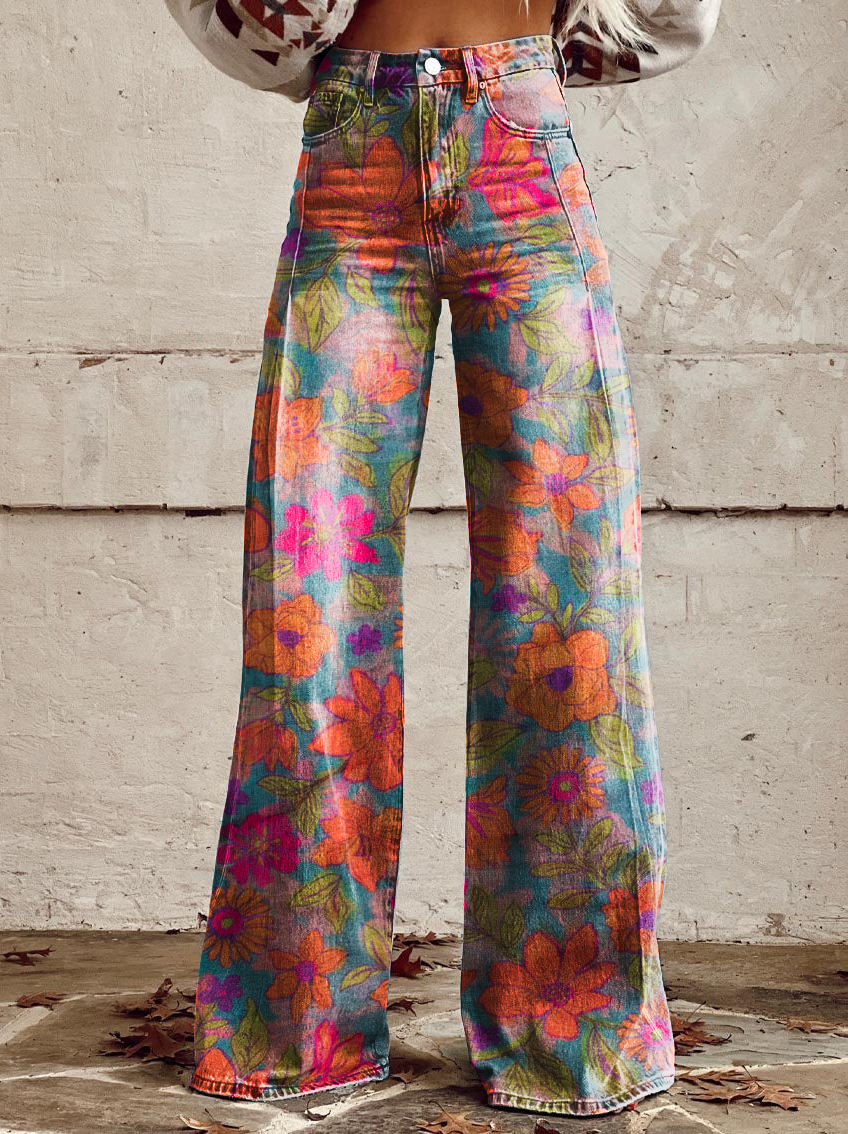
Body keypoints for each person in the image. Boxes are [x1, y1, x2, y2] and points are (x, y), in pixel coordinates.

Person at [161, 0, 720, 1117]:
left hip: (521, 151)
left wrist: (542, 55)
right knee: (309, 615)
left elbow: (677, 13)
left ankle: (574, 1033)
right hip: (352, 154)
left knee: (567, 611)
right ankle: (295, 1031)